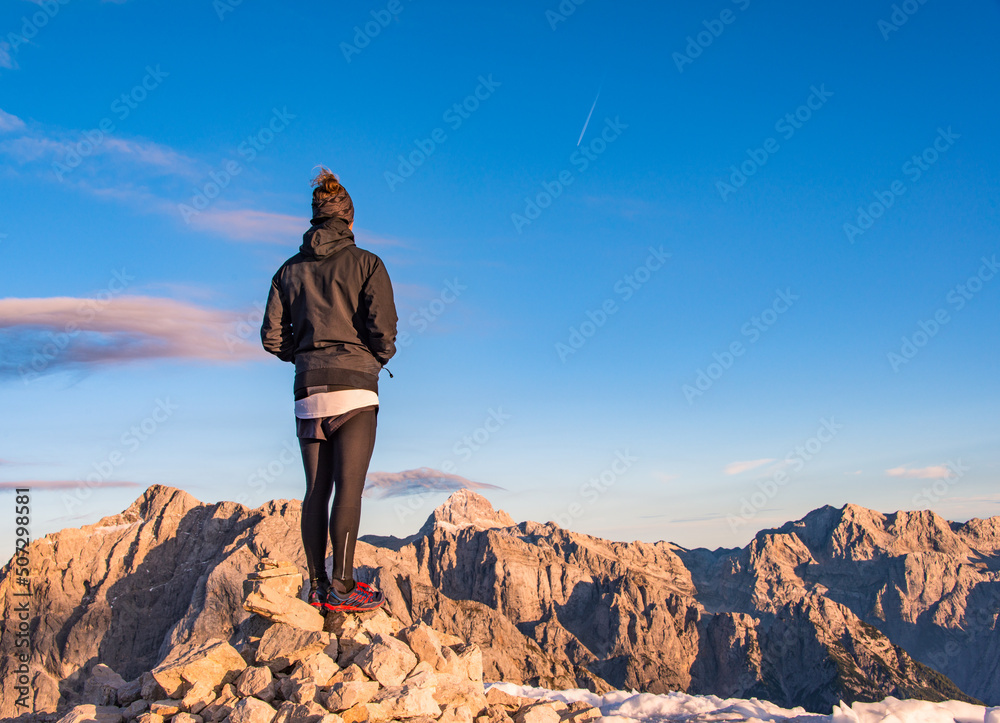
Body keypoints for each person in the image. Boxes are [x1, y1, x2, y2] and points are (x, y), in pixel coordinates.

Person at [260, 167, 397, 613]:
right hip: (355, 391)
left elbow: (271, 337)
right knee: (348, 490)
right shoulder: (368, 264)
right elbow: (385, 332)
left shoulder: (287, 271)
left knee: (315, 490)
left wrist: (306, 359)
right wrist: (370, 361)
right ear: (349, 220)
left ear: (315, 217)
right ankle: (342, 588)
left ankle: (317, 586)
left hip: (307, 392)